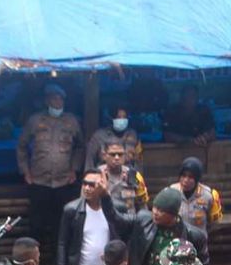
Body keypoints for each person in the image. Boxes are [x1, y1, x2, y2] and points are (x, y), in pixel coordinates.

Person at [17, 83, 83, 250]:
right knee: (36, 225)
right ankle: (33, 261)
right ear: (47, 100)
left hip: (63, 182)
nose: (58, 101)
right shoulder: (35, 120)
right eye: (54, 98)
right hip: (39, 181)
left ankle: (57, 262)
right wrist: (26, 171)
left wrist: (74, 169)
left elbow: (80, 147)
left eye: (61, 98)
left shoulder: (71, 121)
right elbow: (22, 146)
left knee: (60, 225)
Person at [57, 171, 135, 265]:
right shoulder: (72, 210)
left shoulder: (117, 208)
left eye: (92, 185)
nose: (87, 188)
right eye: (85, 184)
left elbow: (126, 237)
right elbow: (62, 243)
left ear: (104, 185)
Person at [127, 187, 209, 265]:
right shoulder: (145, 222)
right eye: (155, 207)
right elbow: (117, 220)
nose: (155, 213)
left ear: (173, 214)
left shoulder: (194, 235)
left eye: (161, 210)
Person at [168, 157, 223, 234]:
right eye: (183, 176)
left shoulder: (208, 195)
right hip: (177, 241)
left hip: (198, 241)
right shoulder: (171, 192)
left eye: (190, 177)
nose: (186, 180)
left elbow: (214, 222)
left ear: (197, 179)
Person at [98, 141, 150, 216]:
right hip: (103, 220)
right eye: (112, 154)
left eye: (120, 154)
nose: (117, 158)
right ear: (104, 155)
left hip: (128, 221)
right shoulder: (96, 175)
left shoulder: (134, 176)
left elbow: (142, 205)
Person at [85, 104, 142, 170]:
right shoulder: (99, 136)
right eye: (119, 117)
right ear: (111, 118)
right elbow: (89, 160)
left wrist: (138, 177)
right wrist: (89, 176)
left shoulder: (133, 135)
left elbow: (138, 160)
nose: (122, 120)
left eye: (124, 117)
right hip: (104, 175)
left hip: (127, 176)